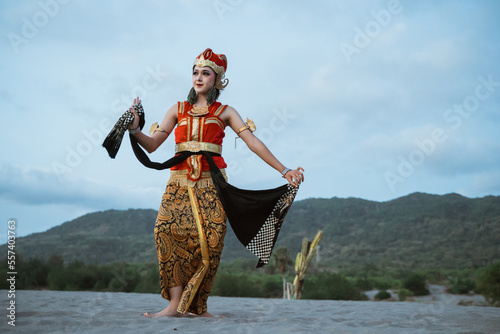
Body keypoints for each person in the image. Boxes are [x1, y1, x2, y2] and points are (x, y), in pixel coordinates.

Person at [126, 48, 304, 318]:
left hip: (212, 185)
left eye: (205, 73)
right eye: (195, 72)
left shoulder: (225, 112)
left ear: (217, 80)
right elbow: (152, 146)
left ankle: (199, 307)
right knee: (164, 231)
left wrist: (284, 169)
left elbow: (253, 143)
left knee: (210, 242)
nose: (198, 77)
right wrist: (135, 129)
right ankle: (174, 306)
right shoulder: (177, 109)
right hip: (178, 183)